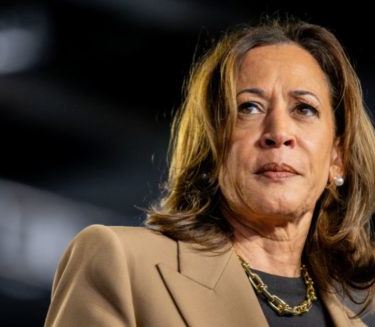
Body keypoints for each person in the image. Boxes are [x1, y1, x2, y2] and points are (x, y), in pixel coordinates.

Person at [44, 18, 375, 326]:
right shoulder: (121, 263)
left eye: (304, 109)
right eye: (249, 107)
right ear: (212, 146)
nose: (279, 132)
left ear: (337, 158)